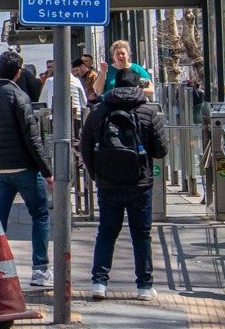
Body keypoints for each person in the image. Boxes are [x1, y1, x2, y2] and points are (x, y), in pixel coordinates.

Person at [80, 67, 167, 301]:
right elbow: (161, 150)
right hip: (140, 184)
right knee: (141, 234)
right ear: (138, 86)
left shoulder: (98, 112)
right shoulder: (148, 113)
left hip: (108, 183)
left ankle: (99, 283)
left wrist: (96, 174)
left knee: (107, 232)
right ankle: (144, 286)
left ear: (115, 86)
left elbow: (85, 147)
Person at [0, 49, 54, 288]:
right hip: (24, 169)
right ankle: (40, 271)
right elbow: (33, 139)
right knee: (39, 215)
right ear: (19, 73)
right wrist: (47, 171)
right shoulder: (19, 97)